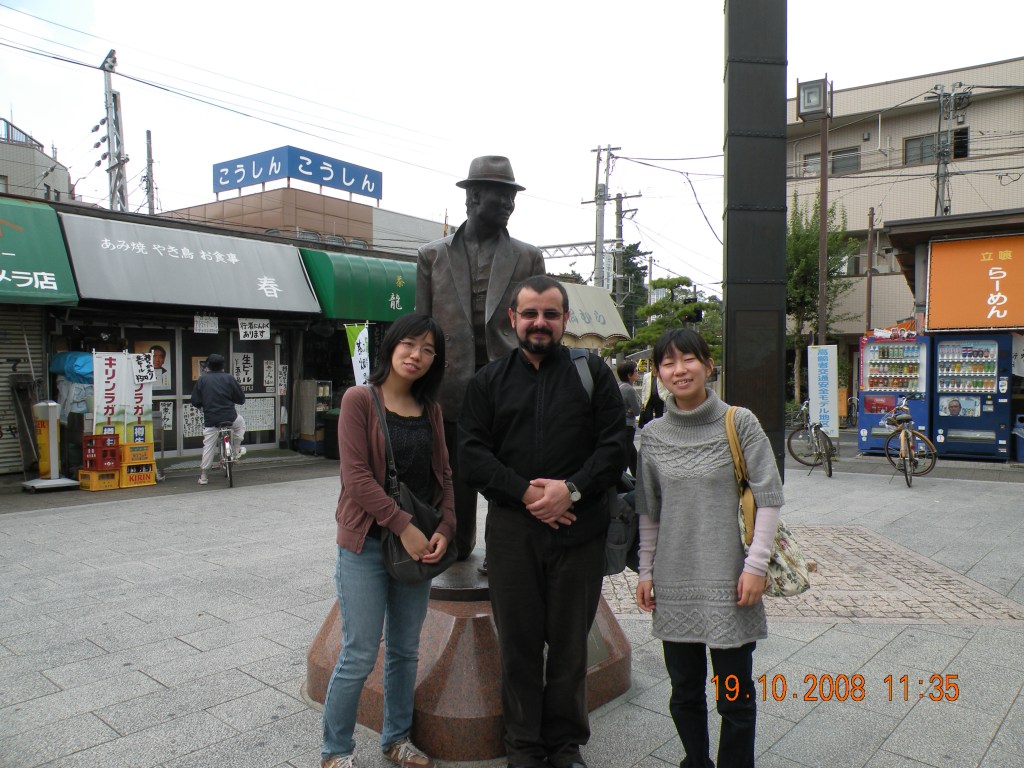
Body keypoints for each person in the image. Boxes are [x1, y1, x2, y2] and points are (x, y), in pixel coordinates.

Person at [459, 275, 626, 768]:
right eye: (530, 313)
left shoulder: (592, 373)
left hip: (580, 529)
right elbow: (471, 454)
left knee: (571, 647)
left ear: (565, 319)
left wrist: (569, 489)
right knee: (519, 647)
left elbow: (615, 447)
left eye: (550, 314)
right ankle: (524, 748)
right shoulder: (488, 381)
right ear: (512, 319)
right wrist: (526, 492)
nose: (539, 323)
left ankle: (565, 745)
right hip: (513, 534)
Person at [634, 328, 784, 768]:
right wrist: (645, 572)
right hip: (674, 582)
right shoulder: (653, 435)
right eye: (668, 363)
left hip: (731, 581)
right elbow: (649, 511)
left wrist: (755, 566)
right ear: (658, 372)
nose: (679, 370)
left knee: (734, 696)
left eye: (689, 359)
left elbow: (769, 497)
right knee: (684, 692)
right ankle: (695, 761)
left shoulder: (739, 422)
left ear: (708, 364)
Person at [320, 313, 454, 768]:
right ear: (391, 346)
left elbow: (444, 476)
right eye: (410, 344)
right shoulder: (359, 399)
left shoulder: (431, 410)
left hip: (418, 547)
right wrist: (404, 527)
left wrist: (445, 529)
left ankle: (396, 739)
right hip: (366, 543)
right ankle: (336, 751)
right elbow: (356, 477)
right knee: (359, 651)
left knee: (405, 650)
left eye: (428, 350)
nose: (417, 355)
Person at [416, 155, 546, 565]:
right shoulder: (431, 256)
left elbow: (538, 324)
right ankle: (457, 541)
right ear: (473, 197)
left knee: (510, 466)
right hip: (448, 382)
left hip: (509, 381)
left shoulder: (528, 257)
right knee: (454, 469)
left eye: (511, 196)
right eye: (499, 195)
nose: (509, 203)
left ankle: (502, 548)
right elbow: (421, 327)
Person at [189, 353, 245, 486]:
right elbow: (241, 399)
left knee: (208, 446)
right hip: (230, 417)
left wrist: (204, 405)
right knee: (241, 424)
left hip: (211, 420)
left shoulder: (202, 380)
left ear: (208, 366)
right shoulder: (229, 378)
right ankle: (236, 449)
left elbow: (195, 401)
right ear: (222, 366)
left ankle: (204, 476)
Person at [616, 360, 641, 476]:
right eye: (636, 371)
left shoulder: (619, 385)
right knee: (626, 457)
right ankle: (622, 479)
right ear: (629, 375)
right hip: (628, 426)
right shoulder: (630, 390)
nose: (637, 373)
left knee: (632, 456)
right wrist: (631, 409)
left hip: (620, 424)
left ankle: (636, 479)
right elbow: (637, 411)